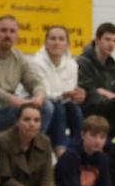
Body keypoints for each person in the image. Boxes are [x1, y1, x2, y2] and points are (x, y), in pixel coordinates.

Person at [30, 25, 86, 156]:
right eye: (53, 38)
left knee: (75, 109)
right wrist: (63, 95)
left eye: (61, 39)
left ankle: (79, 150)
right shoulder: (36, 63)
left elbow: (70, 93)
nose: (56, 42)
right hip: (39, 104)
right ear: (45, 42)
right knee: (58, 107)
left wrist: (77, 95)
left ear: (67, 44)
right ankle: (60, 150)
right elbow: (42, 94)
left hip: (63, 103)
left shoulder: (72, 65)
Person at [77, 23, 115, 136]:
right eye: (107, 39)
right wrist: (110, 96)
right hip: (92, 110)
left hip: (110, 108)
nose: (111, 44)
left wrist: (104, 92)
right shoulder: (82, 62)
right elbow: (90, 94)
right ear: (97, 40)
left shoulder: (113, 67)